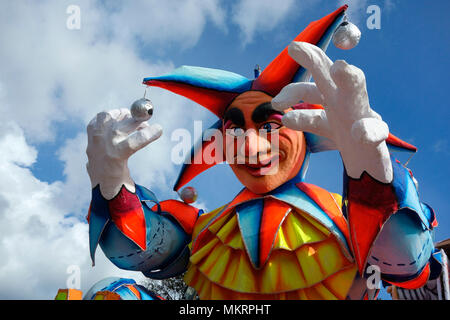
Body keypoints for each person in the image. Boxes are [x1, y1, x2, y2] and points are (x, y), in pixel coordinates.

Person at [84, 5, 444, 300]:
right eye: (235, 129)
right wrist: (114, 189)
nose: (250, 146)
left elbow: (407, 266)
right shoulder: (206, 229)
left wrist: (371, 180)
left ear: (307, 130)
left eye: (270, 125)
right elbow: (135, 248)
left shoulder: (344, 216)